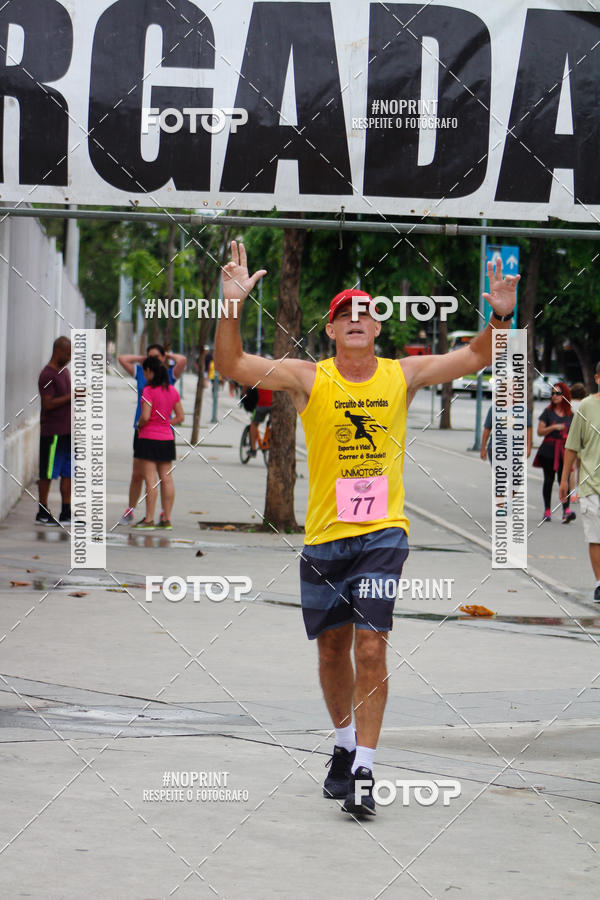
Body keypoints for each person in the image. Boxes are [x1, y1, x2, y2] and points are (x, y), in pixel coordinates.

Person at [214, 241, 519, 817]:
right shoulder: (310, 378)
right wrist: (231, 305)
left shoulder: (403, 376)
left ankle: (364, 772)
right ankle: (342, 744)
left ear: (376, 327)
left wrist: (500, 315)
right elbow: (231, 366)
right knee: (332, 650)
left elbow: (478, 356)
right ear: (331, 330)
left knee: (371, 646)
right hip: (325, 537)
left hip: (383, 534)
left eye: (365, 312)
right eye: (344, 314)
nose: (356, 318)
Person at [117, 344, 186, 524]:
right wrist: (143, 360)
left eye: (157, 356)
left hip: (148, 433)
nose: (153, 360)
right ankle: (144, 512)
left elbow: (182, 360)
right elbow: (122, 359)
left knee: (152, 479)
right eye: (150, 357)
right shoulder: (149, 376)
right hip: (160, 435)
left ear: (164, 358)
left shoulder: (167, 378)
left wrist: (148, 423)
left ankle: (151, 517)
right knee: (145, 475)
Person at [560, 366, 600, 602]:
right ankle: (599, 582)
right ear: (596, 378)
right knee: (595, 536)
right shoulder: (585, 407)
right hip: (591, 484)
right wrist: (565, 479)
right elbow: (572, 445)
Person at [132, 356, 184, 530]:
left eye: (145, 371)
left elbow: (145, 416)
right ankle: (167, 519)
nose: (144, 375)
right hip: (167, 439)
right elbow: (180, 416)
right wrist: (165, 424)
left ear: (149, 371)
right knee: (167, 479)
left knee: (150, 480)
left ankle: (148, 519)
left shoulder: (148, 391)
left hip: (148, 438)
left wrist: (140, 425)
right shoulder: (172, 391)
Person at [36, 337, 72, 526]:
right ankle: (42, 511)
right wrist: (70, 397)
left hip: (67, 432)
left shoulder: (64, 372)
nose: (69, 357)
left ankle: (66, 512)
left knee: (68, 471)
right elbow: (47, 404)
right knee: (48, 472)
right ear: (58, 351)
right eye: (67, 353)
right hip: (52, 432)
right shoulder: (47, 375)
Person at [533, 382, 575, 523]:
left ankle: (566, 510)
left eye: (558, 393)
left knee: (564, 480)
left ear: (565, 395)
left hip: (565, 450)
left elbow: (575, 434)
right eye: (553, 393)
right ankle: (547, 510)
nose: (554, 396)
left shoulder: (571, 414)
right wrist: (554, 427)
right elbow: (539, 432)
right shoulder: (547, 412)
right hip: (549, 450)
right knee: (549, 480)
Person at [568, 383, 587, 503]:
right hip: (583, 439)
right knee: (581, 467)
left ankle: (572, 492)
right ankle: (580, 491)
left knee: (572, 468)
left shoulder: (568, 405)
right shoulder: (585, 405)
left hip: (570, 438)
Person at [250, 387, 272, 455]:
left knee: (254, 424)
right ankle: (269, 441)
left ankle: (253, 450)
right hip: (274, 404)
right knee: (274, 423)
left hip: (262, 403)